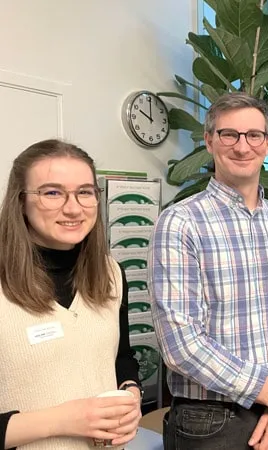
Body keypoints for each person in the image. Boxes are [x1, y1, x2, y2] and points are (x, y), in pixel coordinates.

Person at [149, 92, 268, 450]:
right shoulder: (180, 222)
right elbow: (181, 343)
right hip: (211, 422)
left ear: (267, 143)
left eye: (254, 135)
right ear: (209, 140)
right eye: (229, 134)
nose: (242, 147)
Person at [0, 139, 142, 450]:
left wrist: (131, 393)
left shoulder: (111, 274)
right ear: (20, 201)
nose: (73, 208)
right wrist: (63, 420)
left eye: (85, 192)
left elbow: (121, 357)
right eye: (52, 193)